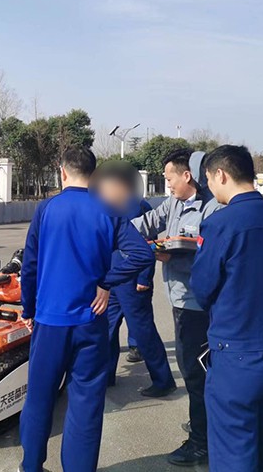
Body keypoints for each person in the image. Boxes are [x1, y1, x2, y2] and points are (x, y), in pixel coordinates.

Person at [19, 147, 155, 472]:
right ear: (94, 175)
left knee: (39, 399)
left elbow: (30, 265)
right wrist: (106, 282)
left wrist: (28, 309)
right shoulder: (108, 210)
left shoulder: (46, 209)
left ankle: (31, 466)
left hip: (50, 321)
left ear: (62, 171)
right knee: (86, 405)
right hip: (91, 322)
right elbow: (142, 254)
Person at [190, 145, 263, 471]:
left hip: (237, 357)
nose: (209, 187)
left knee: (234, 455)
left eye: (209, 180)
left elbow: (202, 288)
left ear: (221, 175)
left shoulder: (221, 224)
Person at [132, 149, 222, 466]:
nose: (167, 184)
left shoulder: (211, 208)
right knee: (195, 371)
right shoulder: (174, 203)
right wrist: (112, 231)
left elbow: (212, 259)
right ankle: (205, 424)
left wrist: (175, 257)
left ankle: (201, 442)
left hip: (198, 305)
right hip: (180, 300)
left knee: (196, 374)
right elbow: (147, 223)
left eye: (170, 178)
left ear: (187, 175)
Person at [93, 162, 176, 397]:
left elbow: (148, 245)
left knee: (143, 331)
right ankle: (107, 375)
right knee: (107, 330)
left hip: (132, 282)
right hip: (111, 280)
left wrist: (144, 278)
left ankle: (163, 380)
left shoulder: (139, 206)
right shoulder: (104, 207)